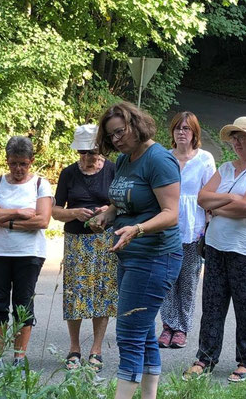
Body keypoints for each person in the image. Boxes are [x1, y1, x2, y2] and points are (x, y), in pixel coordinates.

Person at [90, 102, 182, 399]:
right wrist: (109, 214)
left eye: (120, 131)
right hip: (131, 255)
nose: (116, 139)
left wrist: (138, 229)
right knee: (142, 335)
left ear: (136, 124)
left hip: (156, 256)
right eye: (111, 135)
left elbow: (171, 213)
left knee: (129, 334)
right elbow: (125, 199)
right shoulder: (126, 158)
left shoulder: (159, 160)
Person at [183, 116, 246, 382]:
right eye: (234, 137)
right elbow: (202, 198)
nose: (236, 142)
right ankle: (205, 358)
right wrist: (231, 199)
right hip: (215, 247)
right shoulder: (225, 168)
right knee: (212, 305)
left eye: (241, 137)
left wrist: (218, 207)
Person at [0, 136, 53, 367]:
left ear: (31, 161)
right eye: (13, 163)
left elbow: (42, 220)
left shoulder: (41, 184)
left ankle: (19, 357)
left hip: (29, 254)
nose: (18, 169)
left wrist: (5, 216)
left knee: (23, 305)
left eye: (23, 163)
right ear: (7, 161)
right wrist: (20, 212)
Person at [52, 124, 118, 372]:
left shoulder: (112, 170)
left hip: (104, 240)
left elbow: (124, 204)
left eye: (93, 152)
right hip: (76, 241)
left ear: (101, 148)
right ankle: (74, 348)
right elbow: (55, 211)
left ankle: (96, 350)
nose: (89, 158)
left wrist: (107, 210)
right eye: (83, 153)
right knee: (75, 294)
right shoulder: (68, 173)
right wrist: (73, 212)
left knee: (102, 293)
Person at [158, 112, 216, 349]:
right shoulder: (164, 157)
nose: (182, 132)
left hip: (193, 229)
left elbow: (211, 194)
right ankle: (168, 325)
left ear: (195, 133)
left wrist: (209, 226)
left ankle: (182, 327)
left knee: (188, 280)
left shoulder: (204, 159)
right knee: (166, 278)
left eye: (187, 128)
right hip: (166, 227)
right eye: (177, 128)